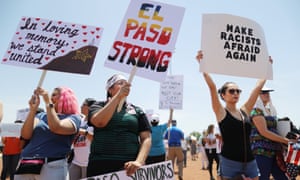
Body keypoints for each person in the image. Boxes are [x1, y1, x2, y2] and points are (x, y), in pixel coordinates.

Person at [196, 50, 268, 180]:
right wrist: (203, 65)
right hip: (230, 163)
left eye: (238, 91)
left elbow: (257, 89)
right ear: (223, 95)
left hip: (250, 162)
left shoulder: (244, 110)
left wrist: (267, 68)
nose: (236, 93)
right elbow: (212, 87)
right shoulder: (220, 112)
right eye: (232, 91)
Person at [86, 74, 152, 177]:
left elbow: (146, 138)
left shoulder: (137, 110)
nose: (125, 85)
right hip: (100, 164)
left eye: (126, 84)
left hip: (128, 166)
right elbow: (99, 122)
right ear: (110, 89)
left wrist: (139, 161)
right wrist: (117, 97)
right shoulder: (98, 106)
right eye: (120, 83)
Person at [15, 86, 81, 180]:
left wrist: (47, 103)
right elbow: (25, 135)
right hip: (27, 164)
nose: (50, 97)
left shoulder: (74, 118)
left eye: (54, 95)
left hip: (51, 166)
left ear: (65, 98)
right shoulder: (41, 116)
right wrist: (33, 110)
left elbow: (56, 127)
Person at [250, 87, 292, 180]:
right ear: (257, 95)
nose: (267, 94)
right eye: (263, 92)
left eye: (268, 92)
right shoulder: (255, 110)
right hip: (261, 150)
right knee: (263, 177)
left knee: (282, 177)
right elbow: (264, 132)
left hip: (275, 150)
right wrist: (286, 141)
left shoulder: (271, 111)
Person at [69, 98, 96, 180]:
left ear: (89, 107)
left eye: (83, 104)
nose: (80, 106)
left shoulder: (95, 121)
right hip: (76, 161)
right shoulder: (80, 120)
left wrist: (84, 132)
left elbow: (96, 139)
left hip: (88, 162)